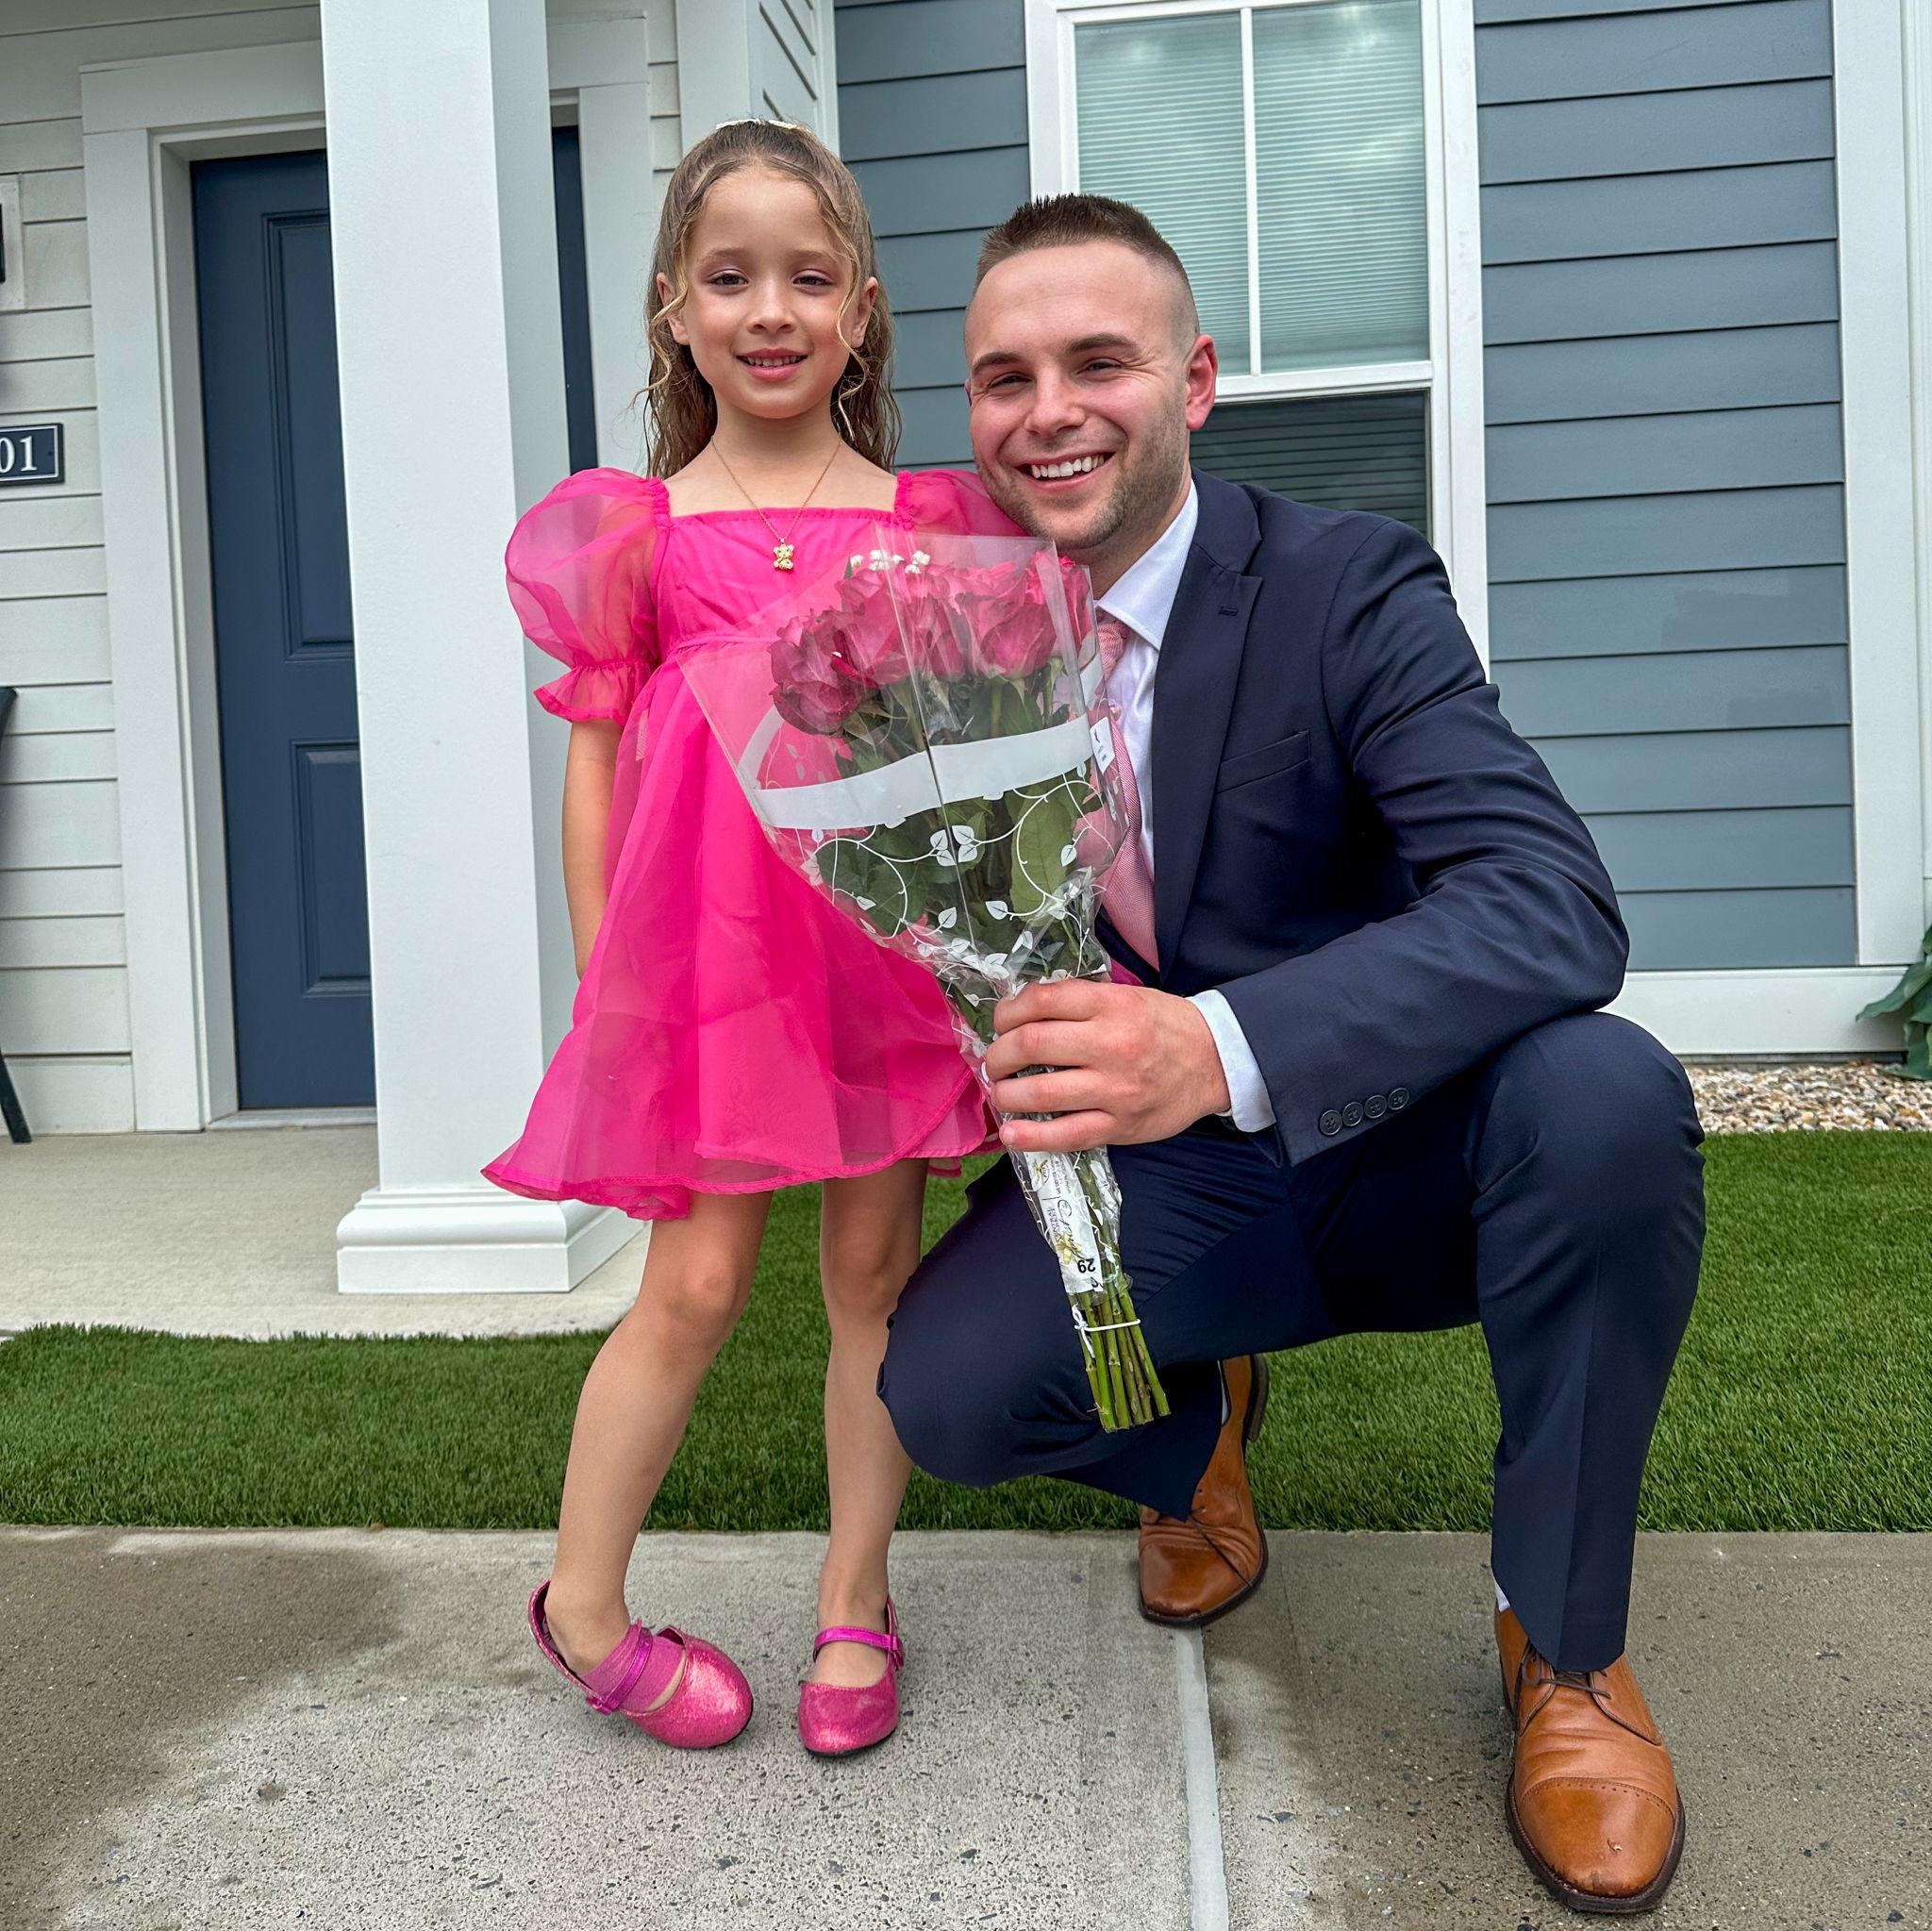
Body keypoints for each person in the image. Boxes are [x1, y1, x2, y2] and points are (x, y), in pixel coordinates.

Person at [877, 194, 1706, 1915]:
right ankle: (1200, 1439)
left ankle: (1565, 1644)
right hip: (1171, 1188)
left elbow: (1554, 906)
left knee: (1608, 1094)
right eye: (1005, 376)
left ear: (1194, 376)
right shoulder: (951, 647)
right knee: (951, 1389)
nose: (1051, 412)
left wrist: (1221, 1041)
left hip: (1412, 1152)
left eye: (1099, 362)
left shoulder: (1348, 585)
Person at [484, 120, 1014, 1759]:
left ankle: (857, 1594)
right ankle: (582, 1604)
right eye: (731, 277)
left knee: (875, 1274)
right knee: (695, 1284)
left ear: (859, 312)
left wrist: (987, 939)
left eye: (806, 278)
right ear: (673, 307)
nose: (769, 309)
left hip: (879, 970)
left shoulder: (932, 518)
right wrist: (606, 981)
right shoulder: (631, 530)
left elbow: (970, 747)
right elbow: (596, 763)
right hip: (706, 980)